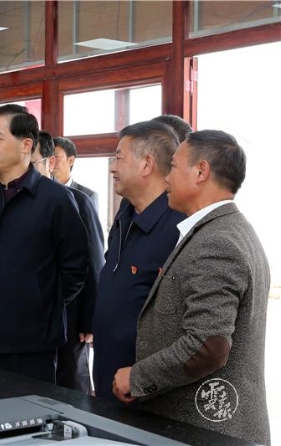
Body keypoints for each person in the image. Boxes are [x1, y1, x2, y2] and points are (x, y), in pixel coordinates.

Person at [113, 130, 270, 445]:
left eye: (173, 166)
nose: (166, 177)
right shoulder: (225, 230)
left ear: (201, 172)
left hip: (205, 429)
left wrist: (137, 378)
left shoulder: (217, 242)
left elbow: (206, 346)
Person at [0, 105, 89, 384]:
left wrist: (40, 300)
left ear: (26, 145)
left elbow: (76, 268)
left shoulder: (56, 199)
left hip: (31, 342)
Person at [92, 120, 185, 402]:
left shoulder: (178, 227)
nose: (112, 168)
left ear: (147, 164)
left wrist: (142, 377)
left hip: (146, 390)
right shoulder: (126, 213)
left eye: (119, 158)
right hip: (108, 374)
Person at [32, 131, 104, 393]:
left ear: (49, 163)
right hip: (32, 315)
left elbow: (94, 263)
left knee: (71, 377)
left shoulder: (78, 201)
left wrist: (89, 319)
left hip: (69, 313)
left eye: (31, 163)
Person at [52, 136, 99, 209]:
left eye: (56, 157)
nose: (51, 161)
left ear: (70, 160)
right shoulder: (41, 191)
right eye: (49, 157)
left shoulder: (88, 195)